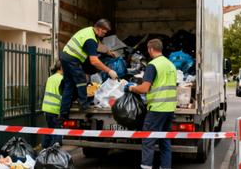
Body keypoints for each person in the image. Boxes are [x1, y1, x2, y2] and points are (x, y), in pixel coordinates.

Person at [125, 39, 176, 169]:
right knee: (165, 141)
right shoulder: (170, 64)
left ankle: (146, 166)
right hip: (169, 109)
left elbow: (144, 88)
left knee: (148, 140)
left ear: (151, 49)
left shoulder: (153, 65)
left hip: (157, 109)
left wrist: (131, 88)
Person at [59, 19, 119, 118]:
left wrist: (108, 52)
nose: (104, 34)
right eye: (104, 32)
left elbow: (98, 45)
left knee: (69, 85)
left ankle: (63, 113)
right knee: (81, 80)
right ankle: (83, 105)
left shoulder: (89, 31)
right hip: (72, 59)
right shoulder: (90, 39)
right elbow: (94, 61)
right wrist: (109, 71)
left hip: (65, 56)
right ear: (99, 29)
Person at [41, 61, 64, 149]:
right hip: (55, 109)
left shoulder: (50, 78)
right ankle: (54, 150)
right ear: (61, 68)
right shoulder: (61, 79)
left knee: (50, 129)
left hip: (47, 108)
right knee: (57, 132)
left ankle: (45, 147)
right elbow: (62, 95)